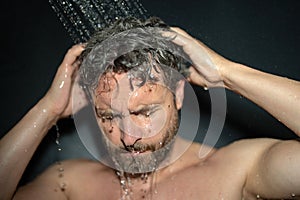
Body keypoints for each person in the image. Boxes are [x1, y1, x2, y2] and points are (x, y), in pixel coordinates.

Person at [0, 17, 299, 200]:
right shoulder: (71, 185)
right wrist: (48, 110)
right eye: (109, 116)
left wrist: (225, 73)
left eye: (143, 112)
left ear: (178, 95)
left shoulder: (239, 172)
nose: (128, 137)